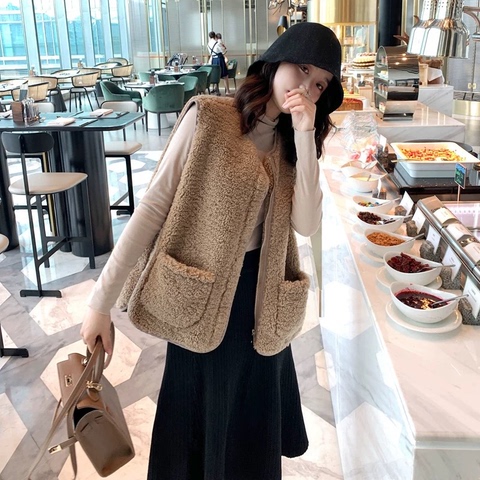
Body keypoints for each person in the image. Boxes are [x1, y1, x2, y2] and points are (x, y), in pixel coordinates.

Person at [81, 21, 343, 480]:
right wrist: (99, 303)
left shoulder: (294, 144)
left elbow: (305, 224)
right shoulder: (208, 117)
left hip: (263, 302)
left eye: (320, 83)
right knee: (196, 426)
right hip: (199, 299)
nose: (307, 87)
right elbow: (153, 208)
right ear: (275, 61)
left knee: (251, 436)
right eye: (302, 69)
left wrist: (305, 136)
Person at [207, 30, 230, 95]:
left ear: (209, 37)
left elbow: (211, 53)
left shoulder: (208, 44)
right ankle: (227, 91)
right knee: (225, 75)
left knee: (216, 75)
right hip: (220, 59)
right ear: (215, 36)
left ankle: (216, 89)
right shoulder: (217, 43)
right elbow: (223, 51)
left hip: (213, 60)